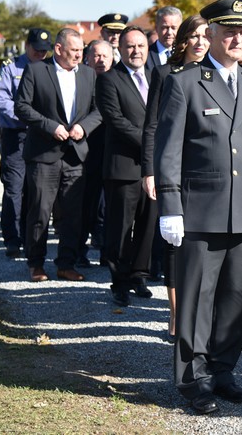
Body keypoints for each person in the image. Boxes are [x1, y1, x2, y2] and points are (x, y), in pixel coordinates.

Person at [153, 0, 242, 414]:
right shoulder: (185, 82)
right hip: (200, 210)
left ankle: (223, 371)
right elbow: (168, 150)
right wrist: (170, 206)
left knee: (237, 299)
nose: (236, 38)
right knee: (197, 300)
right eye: (228, 30)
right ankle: (192, 381)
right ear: (208, 34)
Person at [15, 28, 102, 283]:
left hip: (76, 155)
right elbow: (22, 106)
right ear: (59, 49)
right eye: (74, 50)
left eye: (81, 50)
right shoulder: (36, 70)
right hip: (44, 153)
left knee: (73, 214)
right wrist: (49, 126)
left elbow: (99, 110)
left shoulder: (88, 74)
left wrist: (84, 127)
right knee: (40, 211)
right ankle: (36, 263)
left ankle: (66, 263)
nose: (79, 54)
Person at [141, 14, 208, 340]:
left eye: (206, 35)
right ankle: (176, 314)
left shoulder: (216, 74)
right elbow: (152, 125)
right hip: (174, 169)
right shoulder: (165, 73)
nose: (200, 42)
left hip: (206, 170)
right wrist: (151, 171)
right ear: (183, 39)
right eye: (194, 36)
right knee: (174, 242)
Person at [96, 26, 155, 306]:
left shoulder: (157, 76)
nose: (136, 51)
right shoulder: (109, 80)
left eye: (141, 46)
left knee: (147, 223)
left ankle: (138, 275)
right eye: (130, 46)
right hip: (123, 166)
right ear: (120, 49)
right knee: (120, 226)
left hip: (153, 167)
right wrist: (151, 142)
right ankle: (119, 280)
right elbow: (116, 120)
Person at [0, 28, 52, 257]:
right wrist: (28, 116)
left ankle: (31, 238)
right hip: (16, 135)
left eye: (44, 51)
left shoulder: (50, 69)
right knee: (14, 187)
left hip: (41, 136)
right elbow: (1, 100)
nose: (40, 54)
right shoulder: (11, 68)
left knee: (35, 189)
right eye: (36, 50)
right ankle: (12, 237)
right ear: (27, 46)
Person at [76, 39, 114, 266]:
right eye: (96, 56)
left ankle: (105, 253)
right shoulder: (80, 80)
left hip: (110, 153)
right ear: (88, 58)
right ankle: (80, 251)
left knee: (107, 207)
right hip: (83, 153)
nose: (100, 61)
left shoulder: (119, 80)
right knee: (83, 206)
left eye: (105, 56)